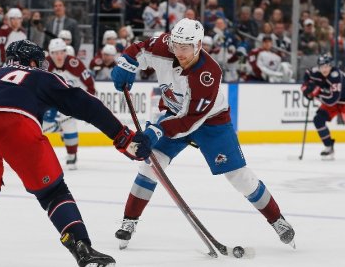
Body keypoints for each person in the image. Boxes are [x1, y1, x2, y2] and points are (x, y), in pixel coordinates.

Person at [0, 39, 151, 267]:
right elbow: (85, 104)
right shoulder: (39, 76)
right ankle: (81, 247)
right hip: (18, 126)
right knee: (53, 192)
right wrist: (123, 137)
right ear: (33, 62)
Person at [110, 18, 296, 250]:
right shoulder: (166, 45)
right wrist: (126, 64)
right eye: (176, 45)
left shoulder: (208, 74)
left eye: (185, 47)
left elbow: (189, 121)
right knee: (150, 166)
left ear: (198, 45)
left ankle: (276, 219)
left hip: (210, 122)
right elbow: (138, 49)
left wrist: (155, 131)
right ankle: (129, 220)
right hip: (173, 114)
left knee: (240, 177)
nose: (179, 51)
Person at [44, 38, 96, 170]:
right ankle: (58, 129)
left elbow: (89, 85)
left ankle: (72, 155)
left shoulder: (75, 64)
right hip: (50, 100)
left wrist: (87, 103)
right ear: (50, 53)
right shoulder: (44, 65)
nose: (59, 56)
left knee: (69, 125)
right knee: (43, 124)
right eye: (55, 53)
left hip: (71, 101)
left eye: (61, 52)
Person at [301, 54, 345, 160]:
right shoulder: (316, 71)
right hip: (334, 102)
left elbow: (331, 99)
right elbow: (307, 74)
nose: (324, 69)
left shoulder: (335, 75)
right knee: (318, 119)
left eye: (327, 66)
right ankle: (329, 146)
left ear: (331, 65)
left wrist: (315, 92)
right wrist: (307, 85)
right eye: (322, 66)